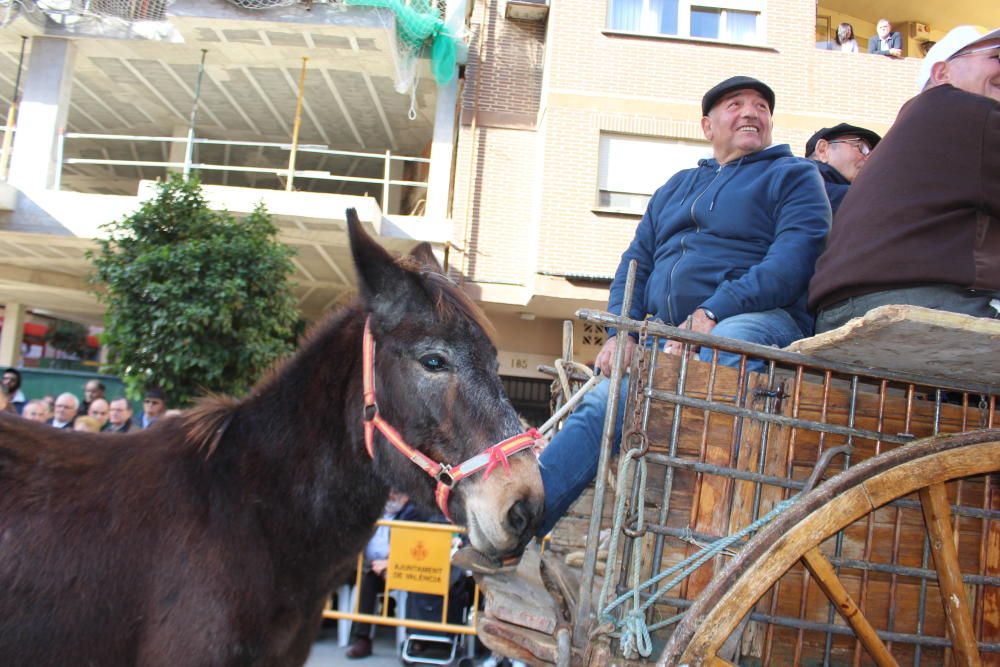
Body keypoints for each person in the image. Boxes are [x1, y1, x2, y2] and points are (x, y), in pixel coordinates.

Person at [535, 75, 830, 537]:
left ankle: (703, 527)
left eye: (761, 107)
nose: (751, 112)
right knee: (602, 404)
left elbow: (793, 262)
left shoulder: (794, 175)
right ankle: (519, 534)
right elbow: (635, 262)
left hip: (761, 320)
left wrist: (713, 311)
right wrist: (623, 333)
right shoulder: (676, 187)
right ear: (707, 126)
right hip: (670, 336)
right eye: (735, 105)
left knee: (734, 341)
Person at [809, 26, 1000, 333]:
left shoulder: (908, 133)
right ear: (942, 73)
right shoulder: (971, 111)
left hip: (837, 312)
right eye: (997, 56)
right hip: (923, 302)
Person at [345, 490, 426, 659]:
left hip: (400, 567)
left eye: (397, 493)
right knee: (366, 577)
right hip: (366, 565)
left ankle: (412, 639)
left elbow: (414, 548)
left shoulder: (413, 514)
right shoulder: (374, 512)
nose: (391, 496)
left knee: (370, 579)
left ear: (407, 496)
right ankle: (362, 639)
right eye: (388, 492)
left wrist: (391, 564)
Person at [805, 123, 881, 213]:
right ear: (822, 150)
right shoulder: (805, 189)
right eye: (861, 147)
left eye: (872, 154)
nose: (869, 158)